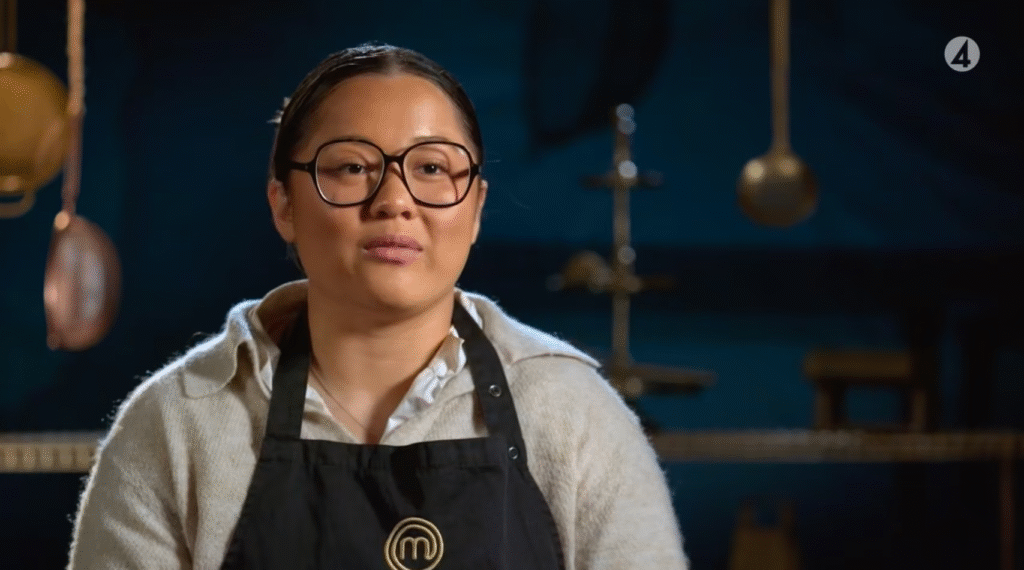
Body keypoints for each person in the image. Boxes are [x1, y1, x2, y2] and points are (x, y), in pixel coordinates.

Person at [66, 43, 688, 570]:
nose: (395, 200)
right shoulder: (179, 424)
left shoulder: (572, 415)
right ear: (283, 205)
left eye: (432, 167)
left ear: (475, 208)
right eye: (352, 167)